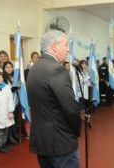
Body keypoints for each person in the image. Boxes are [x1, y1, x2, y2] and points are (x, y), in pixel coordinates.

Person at [27, 30, 82, 168]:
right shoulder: (57, 70)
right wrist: (77, 130)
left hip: (42, 140)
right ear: (54, 46)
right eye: (65, 45)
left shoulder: (35, 68)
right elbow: (70, 109)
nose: (68, 49)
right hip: (60, 143)